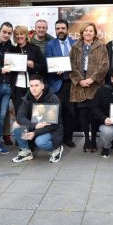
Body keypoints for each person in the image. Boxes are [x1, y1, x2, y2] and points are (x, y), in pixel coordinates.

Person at [69, 21, 109, 152]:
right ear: (82, 32)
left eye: (91, 31)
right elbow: (71, 66)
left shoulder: (101, 46)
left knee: (94, 114)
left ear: (95, 33)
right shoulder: (75, 47)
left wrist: (92, 79)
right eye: (86, 30)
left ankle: (93, 140)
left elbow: (104, 66)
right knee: (83, 114)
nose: (88, 33)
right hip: (80, 86)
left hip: (95, 85)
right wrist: (80, 80)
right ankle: (86, 140)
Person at [12, 74, 64, 163]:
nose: (33, 88)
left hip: (52, 128)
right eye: (31, 86)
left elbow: (55, 124)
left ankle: (56, 149)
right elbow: (20, 117)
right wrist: (35, 126)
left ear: (42, 86)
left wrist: (35, 133)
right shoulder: (27, 98)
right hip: (35, 125)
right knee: (16, 126)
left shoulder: (53, 99)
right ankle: (26, 151)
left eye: (36, 85)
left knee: (40, 141)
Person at [45, 19, 77, 147]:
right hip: (56, 82)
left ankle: (68, 138)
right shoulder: (50, 44)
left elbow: (78, 63)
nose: (60, 31)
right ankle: (57, 138)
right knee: (57, 112)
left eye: (63, 28)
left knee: (71, 112)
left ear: (67, 29)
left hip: (72, 83)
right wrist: (54, 69)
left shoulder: (75, 44)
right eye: (58, 28)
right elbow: (48, 62)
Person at [11, 25, 46, 114]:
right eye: (17, 34)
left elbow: (43, 66)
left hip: (33, 86)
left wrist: (33, 64)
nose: (19, 36)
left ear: (26, 35)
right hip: (17, 86)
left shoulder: (35, 49)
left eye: (21, 34)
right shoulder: (12, 50)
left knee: (34, 113)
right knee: (20, 112)